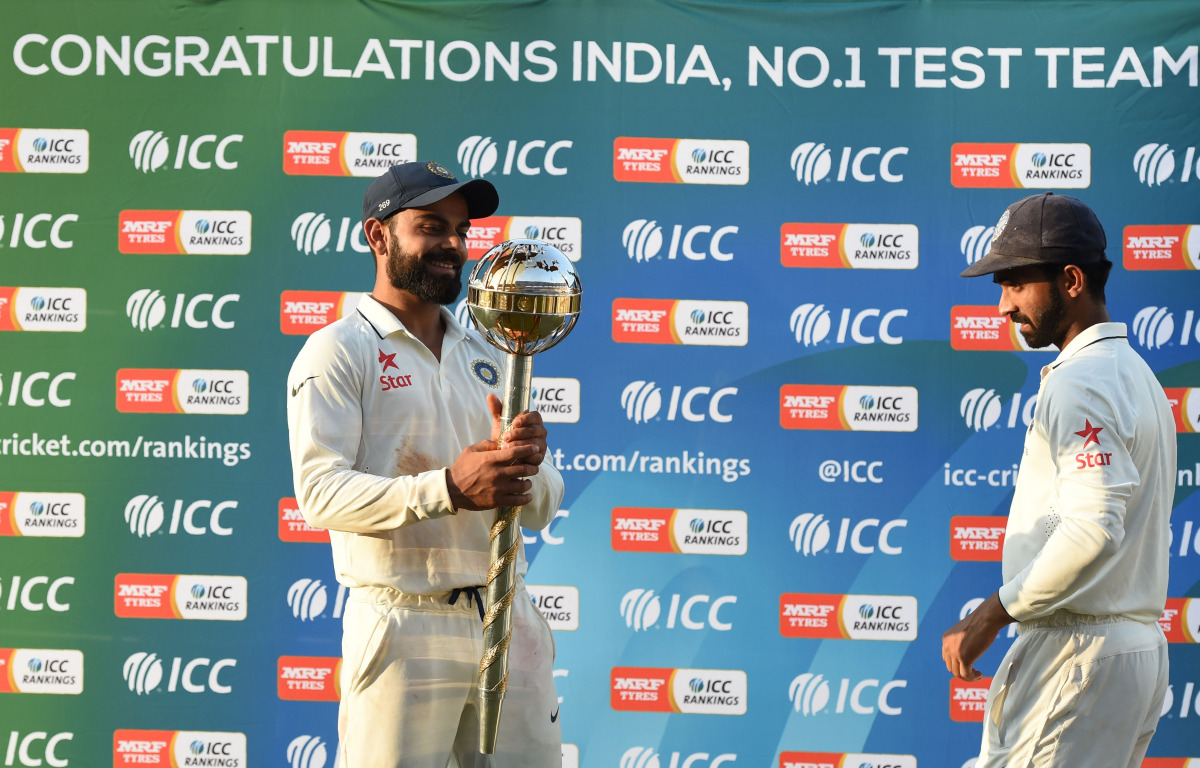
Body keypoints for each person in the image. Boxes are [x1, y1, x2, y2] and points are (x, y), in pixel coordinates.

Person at [287, 160, 564, 768]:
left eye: (461, 231)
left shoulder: (493, 346)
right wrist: (447, 489)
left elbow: (542, 509)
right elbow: (320, 494)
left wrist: (530, 465)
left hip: (507, 616)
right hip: (402, 623)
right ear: (378, 236)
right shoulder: (339, 349)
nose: (453, 245)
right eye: (431, 227)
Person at [941, 192, 1177, 767]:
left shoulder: (1080, 382)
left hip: (1078, 652)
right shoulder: (1136, 374)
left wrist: (991, 613)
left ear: (1071, 279)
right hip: (1125, 651)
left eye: (1016, 283)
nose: (1002, 307)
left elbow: (1094, 529)